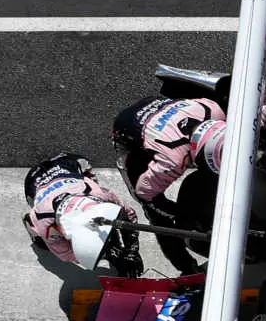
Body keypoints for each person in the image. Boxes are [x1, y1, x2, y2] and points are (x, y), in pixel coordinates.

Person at [111, 95, 227, 224]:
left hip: (156, 104)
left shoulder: (216, 111)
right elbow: (145, 192)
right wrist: (184, 219)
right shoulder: (173, 161)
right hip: (128, 125)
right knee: (150, 203)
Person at [21, 152, 142, 276]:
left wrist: (131, 251)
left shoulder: (99, 194)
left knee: (87, 171)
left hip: (66, 162)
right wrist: (110, 255)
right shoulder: (44, 223)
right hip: (33, 180)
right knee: (43, 243)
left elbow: (128, 215)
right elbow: (65, 254)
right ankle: (29, 225)